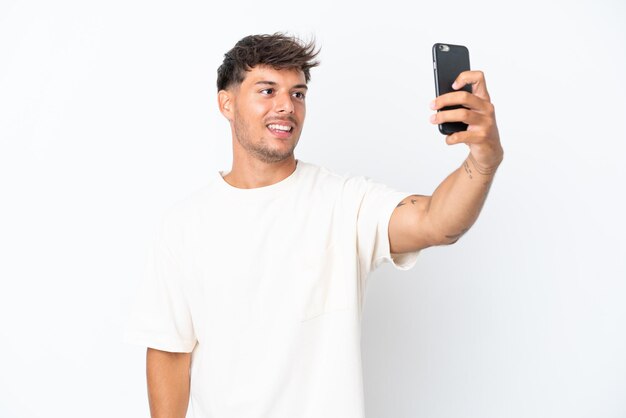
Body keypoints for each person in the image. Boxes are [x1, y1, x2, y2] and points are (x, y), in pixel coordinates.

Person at [124, 32, 503, 418]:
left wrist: (484, 159)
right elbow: (170, 353)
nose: (286, 106)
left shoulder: (344, 202)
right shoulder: (185, 225)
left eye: (298, 94)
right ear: (227, 102)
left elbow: (436, 222)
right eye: (267, 91)